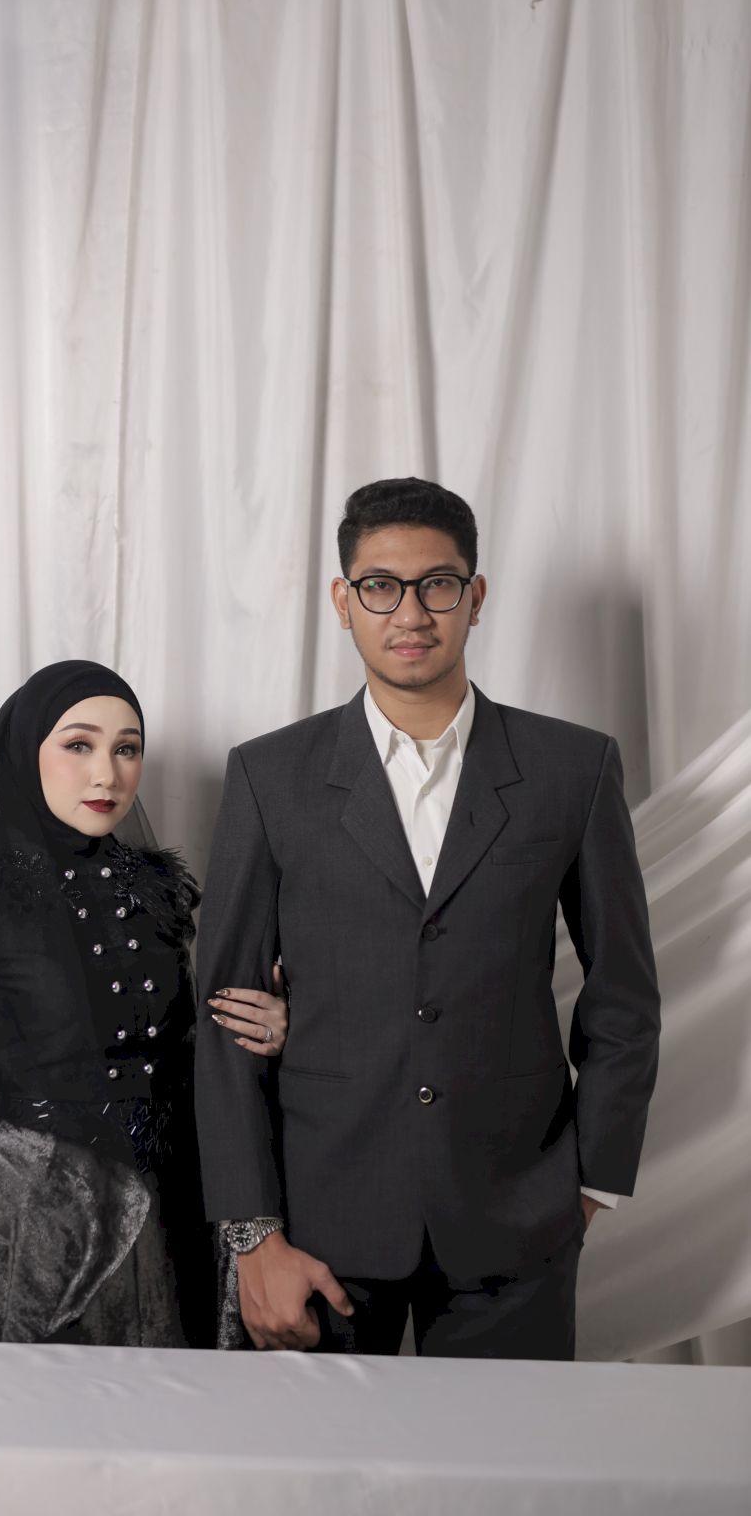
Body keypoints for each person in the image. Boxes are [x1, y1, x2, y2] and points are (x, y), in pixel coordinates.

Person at [194, 478, 661, 1360]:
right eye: (380, 586)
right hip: (318, 1222)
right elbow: (226, 1017)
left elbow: (624, 996)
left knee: (512, 1455)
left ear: (474, 597)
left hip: (516, 1218)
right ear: (343, 602)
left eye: (436, 585)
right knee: (314, 1456)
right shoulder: (269, 776)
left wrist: (590, 1183)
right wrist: (252, 1236)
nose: (409, 613)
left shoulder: (572, 768)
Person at [0, 660, 287, 1345]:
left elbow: (194, 1050)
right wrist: (45, 1170)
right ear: (26, 752)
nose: (107, 774)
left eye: (126, 749)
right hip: (41, 1238)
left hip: (179, 1218)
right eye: (78, 745)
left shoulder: (157, 890)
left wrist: (274, 1030)